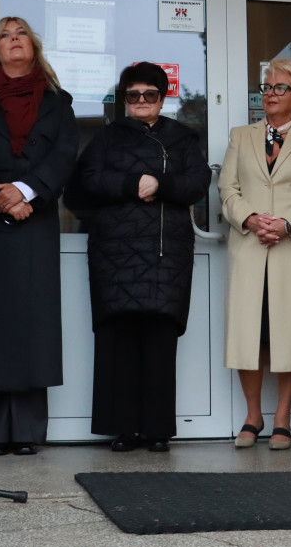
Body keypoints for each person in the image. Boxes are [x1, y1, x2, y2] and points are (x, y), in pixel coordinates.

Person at [68, 62, 211, 452]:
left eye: (150, 94)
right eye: (134, 95)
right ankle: (122, 429)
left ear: (162, 98)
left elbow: (198, 182)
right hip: (115, 254)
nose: (142, 101)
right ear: (124, 100)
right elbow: (84, 184)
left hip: (167, 254)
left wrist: (160, 183)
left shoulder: (182, 138)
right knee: (118, 340)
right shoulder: (106, 138)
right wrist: (134, 183)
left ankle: (157, 430)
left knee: (160, 340)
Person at [0, 17, 78, 456]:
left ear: (33, 46)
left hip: (36, 221)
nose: (13, 41)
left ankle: (26, 432)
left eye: (20, 33)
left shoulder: (59, 101)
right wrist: (1, 198)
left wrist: (26, 192)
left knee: (32, 327)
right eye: (4, 36)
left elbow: (64, 154)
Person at [219, 58, 291, 450]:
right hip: (249, 247)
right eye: (266, 87)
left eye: (279, 88)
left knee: (288, 332)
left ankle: (282, 417)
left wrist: (285, 223)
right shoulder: (240, 135)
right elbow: (227, 188)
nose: (269, 93)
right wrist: (249, 219)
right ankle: (253, 416)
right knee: (249, 334)